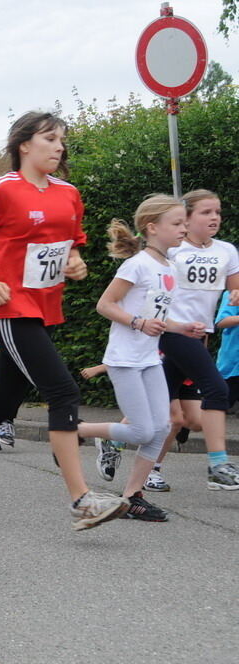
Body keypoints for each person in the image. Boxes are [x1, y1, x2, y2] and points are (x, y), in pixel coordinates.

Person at [0, 111, 129, 530]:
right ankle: (82, 499)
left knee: (2, 404)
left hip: (44, 307)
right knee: (63, 392)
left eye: (62, 139)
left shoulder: (68, 193)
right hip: (10, 306)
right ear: (24, 144)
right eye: (50, 138)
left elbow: (71, 245)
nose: (59, 146)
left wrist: (76, 262)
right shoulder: (0, 188)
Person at [77, 195, 203, 520]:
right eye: (176, 223)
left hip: (148, 359)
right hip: (124, 358)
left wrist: (183, 327)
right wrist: (138, 323)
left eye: (184, 223)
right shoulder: (136, 264)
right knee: (142, 432)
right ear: (152, 227)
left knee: (162, 428)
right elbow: (105, 304)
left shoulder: (169, 267)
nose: (183, 228)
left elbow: (157, 317)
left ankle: (132, 495)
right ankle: (75, 430)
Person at [152, 189, 239, 490]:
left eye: (217, 212)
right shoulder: (173, 251)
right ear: (186, 219)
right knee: (216, 389)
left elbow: (234, 290)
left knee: (160, 406)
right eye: (206, 212)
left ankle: (112, 441)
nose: (214, 217)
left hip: (200, 337)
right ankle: (218, 463)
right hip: (171, 332)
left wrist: (236, 294)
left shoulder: (226, 250)